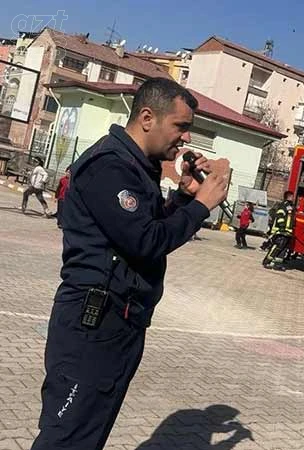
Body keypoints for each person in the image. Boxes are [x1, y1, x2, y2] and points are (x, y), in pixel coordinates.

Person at [30, 78, 229, 450]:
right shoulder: (110, 166)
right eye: (181, 127)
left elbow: (145, 230)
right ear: (148, 117)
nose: (185, 139)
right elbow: (146, 242)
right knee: (67, 437)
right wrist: (202, 204)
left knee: (88, 434)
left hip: (118, 323)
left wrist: (184, 200)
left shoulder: (137, 168)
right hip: (92, 326)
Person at [262, 191, 295, 271]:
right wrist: (282, 226)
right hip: (281, 231)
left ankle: (277, 264)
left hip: (287, 232)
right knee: (277, 246)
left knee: (282, 249)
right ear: (288, 196)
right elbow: (280, 215)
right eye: (292, 196)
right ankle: (267, 261)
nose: (293, 198)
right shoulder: (283, 205)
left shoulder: (290, 206)